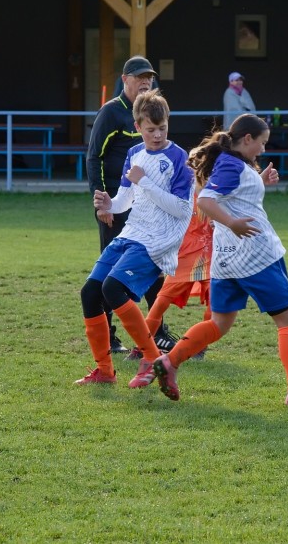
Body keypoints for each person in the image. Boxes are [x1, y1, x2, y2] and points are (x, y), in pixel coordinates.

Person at [151, 113, 288, 408]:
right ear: (247, 138)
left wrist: (258, 182)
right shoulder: (232, 165)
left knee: (219, 324)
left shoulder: (233, 163)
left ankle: (170, 362)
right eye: (262, 142)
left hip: (226, 260)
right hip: (256, 257)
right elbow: (206, 201)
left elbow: (231, 196)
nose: (263, 149)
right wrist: (233, 223)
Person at [76, 90, 194, 387]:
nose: (157, 135)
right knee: (90, 292)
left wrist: (145, 181)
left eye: (162, 128)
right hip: (132, 232)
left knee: (113, 288)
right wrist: (109, 205)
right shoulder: (134, 154)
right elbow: (126, 199)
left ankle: (154, 360)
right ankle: (105, 371)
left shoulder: (179, 158)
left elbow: (182, 209)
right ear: (137, 126)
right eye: (150, 129)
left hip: (158, 239)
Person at [87, 55, 173, 355]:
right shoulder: (111, 112)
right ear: (125, 80)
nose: (145, 82)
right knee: (110, 271)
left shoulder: (153, 111)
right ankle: (108, 336)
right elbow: (94, 157)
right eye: (139, 77)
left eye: (149, 77)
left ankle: (156, 332)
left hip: (146, 207)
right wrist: (103, 203)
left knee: (151, 266)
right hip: (116, 204)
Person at [139, 185, 213, 362]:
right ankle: (142, 347)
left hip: (212, 253)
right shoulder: (180, 188)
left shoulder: (220, 188)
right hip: (184, 254)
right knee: (161, 301)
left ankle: (199, 346)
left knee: (215, 304)